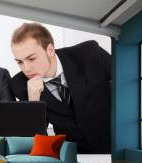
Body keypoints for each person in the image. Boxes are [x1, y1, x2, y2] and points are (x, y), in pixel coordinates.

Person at [9, 22, 111, 154]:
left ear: (50, 50)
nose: (26, 69)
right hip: (74, 156)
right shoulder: (20, 85)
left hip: (116, 145)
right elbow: (34, 140)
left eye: (31, 59)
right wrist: (33, 104)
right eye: (19, 62)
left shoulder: (89, 53)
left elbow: (124, 82)